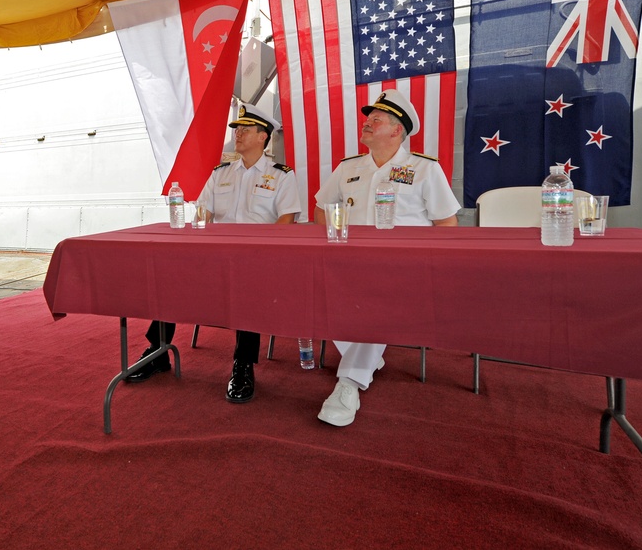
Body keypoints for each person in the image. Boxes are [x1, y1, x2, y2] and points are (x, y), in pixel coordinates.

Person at [126, 103, 302, 403]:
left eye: (246, 129)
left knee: (247, 289)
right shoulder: (220, 173)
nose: (239, 134)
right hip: (215, 256)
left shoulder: (281, 175)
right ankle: (158, 352)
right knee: (172, 278)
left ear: (263, 136)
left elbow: (287, 221)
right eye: (237, 129)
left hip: (255, 260)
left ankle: (243, 365)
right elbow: (203, 214)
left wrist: (262, 255)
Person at [313, 89, 460, 427]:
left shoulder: (423, 169)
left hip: (404, 269)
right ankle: (367, 354)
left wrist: (437, 270)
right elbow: (323, 207)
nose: (367, 123)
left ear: (397, 130)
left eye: (376, 120)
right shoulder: (349, 168)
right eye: (368, 119)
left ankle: (348, 383)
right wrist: (331, 245)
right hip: (349, 265)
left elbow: (447, 224)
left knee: (373, 304)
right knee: (318, 291)